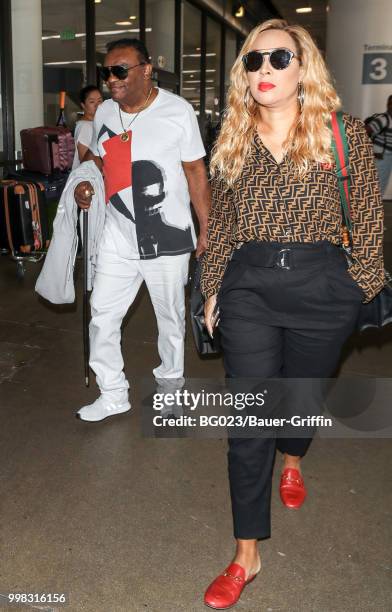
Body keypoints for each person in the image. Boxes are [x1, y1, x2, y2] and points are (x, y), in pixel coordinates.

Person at [201, 19, 385, 610]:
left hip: (321, 283)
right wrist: (212, 288)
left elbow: (368, 216)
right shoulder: (231, 136)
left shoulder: (343, 133)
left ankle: (295, 456)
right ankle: (246, 554)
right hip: (249, 285)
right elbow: (222, 224)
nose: (264, 71)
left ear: (304, 66)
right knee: (248, 422)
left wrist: (361, 286)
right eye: (253, 62)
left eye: (278, 58)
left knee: (301, 396)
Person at [74, 38, 210, 422]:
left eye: (120, 70)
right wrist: (86, 185)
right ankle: (113, 392)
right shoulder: (103, 114)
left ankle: (170, 388)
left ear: (146, 70)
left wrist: (207, 230)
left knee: (169, 319)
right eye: (106, 72)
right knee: (102, 313)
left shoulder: (177, 112)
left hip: (167, 237)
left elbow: (196, 172)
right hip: (118, 232)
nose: (111, 79)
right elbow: (97, 163)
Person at [366, 95, 392, 198]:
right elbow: (365, 131)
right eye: (390, 103)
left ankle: (374, 209)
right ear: (387, 105)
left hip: (387, 156)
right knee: (378, 185)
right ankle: (372, 210)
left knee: (381, 184)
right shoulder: (384, 119)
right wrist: (371, 150)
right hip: (381, 156)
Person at [72, 85, 103, 170]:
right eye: (92, 102)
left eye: (100, 101)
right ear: (83, 105)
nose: (97, 105)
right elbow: (85, 162)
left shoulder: (96, 123)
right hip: (88, 179)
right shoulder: (85, 126)